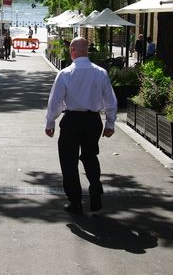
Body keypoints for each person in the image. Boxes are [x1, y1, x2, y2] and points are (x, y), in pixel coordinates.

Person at [45, 37, 117, 215]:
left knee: (68, 161)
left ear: (72, 51)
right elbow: (110, 100)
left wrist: (50, 121)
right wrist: (110, 122)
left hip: (72, 120)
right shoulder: (100, 73)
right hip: (93, 120)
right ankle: (95, 189)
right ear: (87, 51)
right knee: (90, 156)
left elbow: (55, 101)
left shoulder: (66, 73)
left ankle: (75, 201)